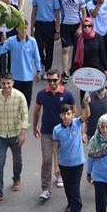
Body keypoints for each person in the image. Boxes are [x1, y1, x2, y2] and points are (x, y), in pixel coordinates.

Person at [0, 73, 28, 204]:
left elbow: (25, 116)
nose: (6, 86)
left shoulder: (20, 97)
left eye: (8, 83)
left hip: (15, 134)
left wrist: (23, 133)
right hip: (1, 135)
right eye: (3, 83)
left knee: (17, 160)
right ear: (0, 83)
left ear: (12, 83)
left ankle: (16, 179)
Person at [33, 68, 75, 200]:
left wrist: (71, 126)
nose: (51, 83)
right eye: (49, 80)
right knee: (46, 160)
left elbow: (74, 111)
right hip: (46, 132)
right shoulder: (41, 94)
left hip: (62, 133)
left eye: (54, 80)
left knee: (62, 158)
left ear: (59, 80)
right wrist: (34, 127)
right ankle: (46, 189)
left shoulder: (67, 94)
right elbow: (36, 111)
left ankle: (60, 175)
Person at [53, 99, 90, 212]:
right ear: (61, 116)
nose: (67, 116)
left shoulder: (77, 123)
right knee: (68, 188)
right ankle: (71, 203)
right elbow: (55, 148)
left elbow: (86, 115)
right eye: (64, 114)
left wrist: (86, 104)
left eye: (69, 113)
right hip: (64, 164)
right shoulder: (57, 130)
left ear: (72, 114)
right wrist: (56, 165)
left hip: (77, 163)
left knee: (74, 188)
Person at [0, 22, 42, 106]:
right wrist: (2, 43)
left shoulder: (32, 41)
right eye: (21, 28)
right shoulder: (10, 40)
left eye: (25, 27)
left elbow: (37, 57)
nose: (23, 30)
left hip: (28, 78)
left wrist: (38, 71)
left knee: (26, 103)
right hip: (15, 78)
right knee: (15, 103)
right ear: (17, 29)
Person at [58, 0, 86, 82]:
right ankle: (65, 72)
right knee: (65, 49)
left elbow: (84, 13)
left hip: (76, 25)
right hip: (65, 25)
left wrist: (80, 27)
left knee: (78, 49)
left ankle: (76, 69)